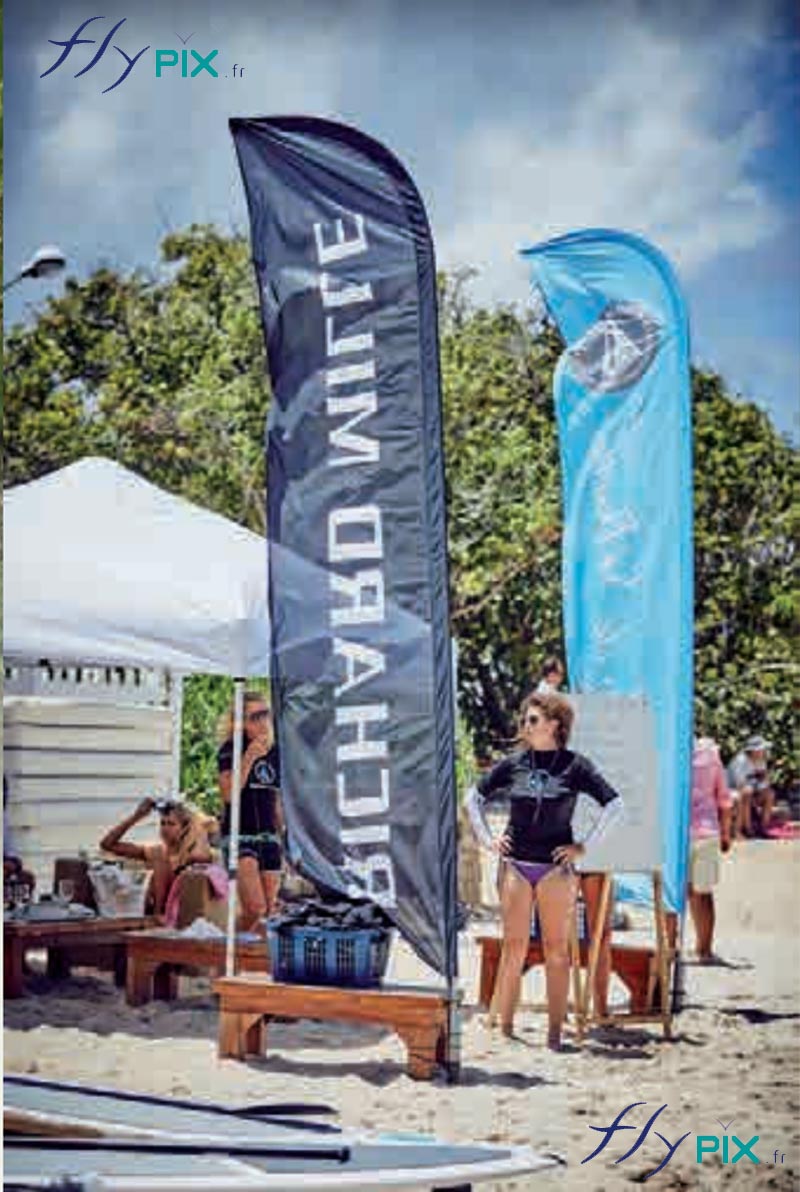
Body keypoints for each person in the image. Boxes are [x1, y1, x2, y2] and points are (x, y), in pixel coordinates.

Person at [466, 692, 623, 1051]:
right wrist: (488, 839)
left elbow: (615, 805)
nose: (525, 725)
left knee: (557, 951)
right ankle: (506, 1027)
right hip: (516, 866)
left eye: (533, 719)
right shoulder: (514, 763)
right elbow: (471, 797)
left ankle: (554, 1034)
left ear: (555, 725)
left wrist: (585, 846)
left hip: (555, 870)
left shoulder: (576, 765)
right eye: (524, 719)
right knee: (514, 947)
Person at [217, 691, 284, 931]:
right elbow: (228, 795)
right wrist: (249, 757)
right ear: (240, 722)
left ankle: (252, 964)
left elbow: (275, 800)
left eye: (266, 714)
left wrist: (284, 838)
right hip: (240, 834)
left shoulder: (276, 752)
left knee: (268, 914)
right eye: (255, 716)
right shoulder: (230, 749)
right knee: (255, 909)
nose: (263, 721)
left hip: (268, 836)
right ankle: (228, 948)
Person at [99, 798, 217, 919]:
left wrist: (197, 827)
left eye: (171, 824)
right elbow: (108, 844)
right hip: (154, 916)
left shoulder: (193, 853)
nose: (165, 828)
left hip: (183, 918)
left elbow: (200, 856)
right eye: (162, 823)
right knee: (158, 857)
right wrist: (137, 816)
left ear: (185, 828)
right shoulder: (155, 852)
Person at [689, 736, 733, 960]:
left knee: (672, 894)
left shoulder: (667, 749)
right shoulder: (710, 752)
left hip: (676, 833)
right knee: (703, 893)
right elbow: (723, 797)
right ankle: (704, 950)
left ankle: (668, 951)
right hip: (706, 831)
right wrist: (726, 833)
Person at [728, 735, 775, 837]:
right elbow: (739, 785)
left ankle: (763, 828)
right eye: (762, 749)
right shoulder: (740, 761)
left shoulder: (761, 761)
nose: (763, 751)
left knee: (769, 794)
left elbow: (763, 784)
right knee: (747, 792)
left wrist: (764, 780)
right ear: (754, 750)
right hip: (735, 792)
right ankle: (748, 829)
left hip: (752, 791)